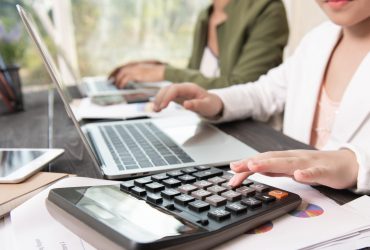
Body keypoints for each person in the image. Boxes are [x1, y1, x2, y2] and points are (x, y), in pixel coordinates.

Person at [153, 0, 370, 193]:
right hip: (296, 196)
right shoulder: (317, 39)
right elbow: (266, 91)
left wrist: (355, 164)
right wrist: (216, 101)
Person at [109, 0, 289, 90]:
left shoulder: (268, 9)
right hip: (206, 128)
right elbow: (198, 76)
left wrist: (165, 73)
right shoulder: (206, 15)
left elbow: (241, 89)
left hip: (249, 136)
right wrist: (154, 69)